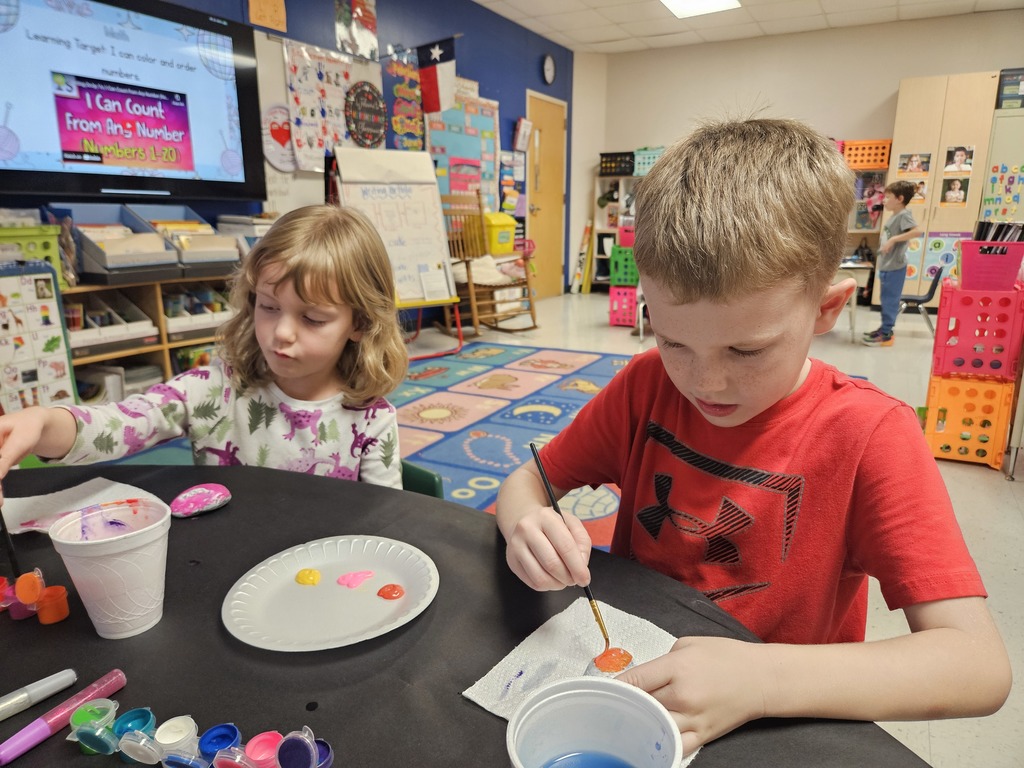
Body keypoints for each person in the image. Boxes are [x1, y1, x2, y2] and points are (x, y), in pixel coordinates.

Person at [495, 118, 1010, 756]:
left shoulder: (872, 433)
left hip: (777, 718)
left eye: (746, 349)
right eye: (673, 339)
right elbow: (528, 481)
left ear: (826, 309)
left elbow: (976, 667)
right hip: (637, 697)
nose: (703, 381)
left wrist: (762, 679)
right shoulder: (646, 385)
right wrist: (525, 523)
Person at [0, 205, 409, 501]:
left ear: (359, 323)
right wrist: (43, 423)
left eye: (314, 319)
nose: (281, 333)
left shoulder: (371, 421)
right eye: (268, 307)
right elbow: (121, 424)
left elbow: (388, 519)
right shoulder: (216, 387)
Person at [863, 180, 922, 346]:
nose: (884, 200)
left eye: (888, 197)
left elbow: (917, 232)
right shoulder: (895, 216)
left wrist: (894, 239)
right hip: (888, 265)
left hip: (895, 267)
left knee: (890, 300)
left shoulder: (904, 215)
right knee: (886, 299)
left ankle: (887, 334)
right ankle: (884, 328)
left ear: (900, 199)